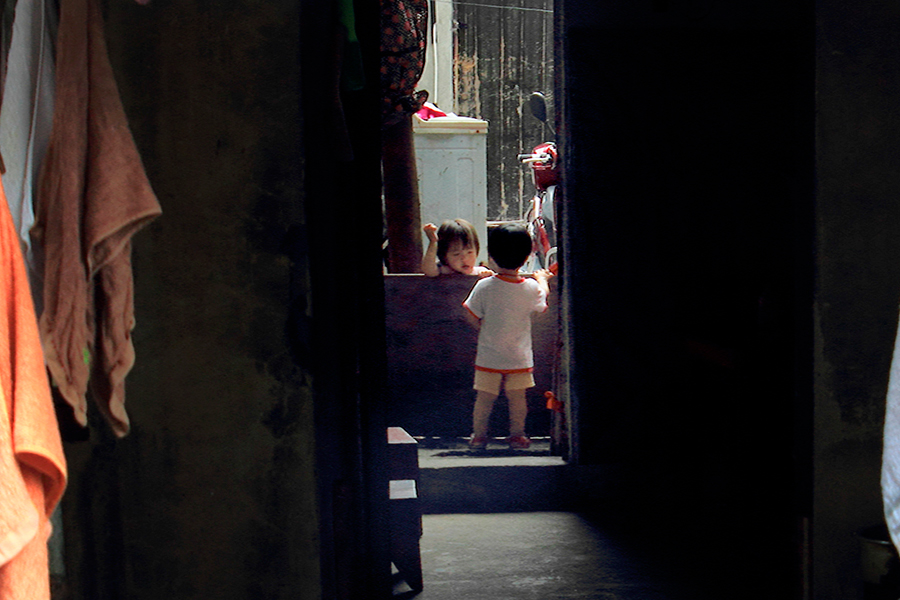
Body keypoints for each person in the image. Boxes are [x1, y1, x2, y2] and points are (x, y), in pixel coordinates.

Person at [462, 223, 553, 450]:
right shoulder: (530, 287)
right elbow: (543, 301)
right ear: (527, 256)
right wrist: (543, 279)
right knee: (517, 398)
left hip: (489, 356)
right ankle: (517, 436)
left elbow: (470, 315)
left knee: (484, 398)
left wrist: (483, 330)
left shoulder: (484, 286)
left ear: (491, 256)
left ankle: (479, 437)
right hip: (519, 357)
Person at [421, 219, 492, 277]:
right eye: (456, 254)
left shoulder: (479, 271)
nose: (465, 259)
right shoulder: (445, 270)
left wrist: (488, 275)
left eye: (470, 252)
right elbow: (429, 270)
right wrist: (433, 242)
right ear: (444, 256)